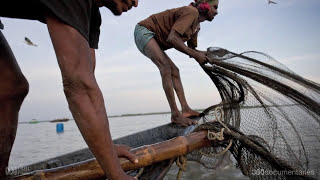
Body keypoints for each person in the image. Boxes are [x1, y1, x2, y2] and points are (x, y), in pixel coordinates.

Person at [0, 0, 139, 179]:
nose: (136, 3)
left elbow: (87, 80)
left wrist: (107, 150)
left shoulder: (92, 16)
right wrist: (116, 174)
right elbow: (78, 86)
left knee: (11, 89)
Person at [134, 0, 219, 126]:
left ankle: (185, 110)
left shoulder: (196, 26)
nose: (217, 12)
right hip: (144, 31)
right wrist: (195, 55)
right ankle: (175, 115)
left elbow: (192, 50)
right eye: (215, 7)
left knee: (175, 71)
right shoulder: (191, 12)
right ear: (205, 5)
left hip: (156, 40)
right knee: (166, 68)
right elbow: (173, 38)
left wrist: (205, 54)